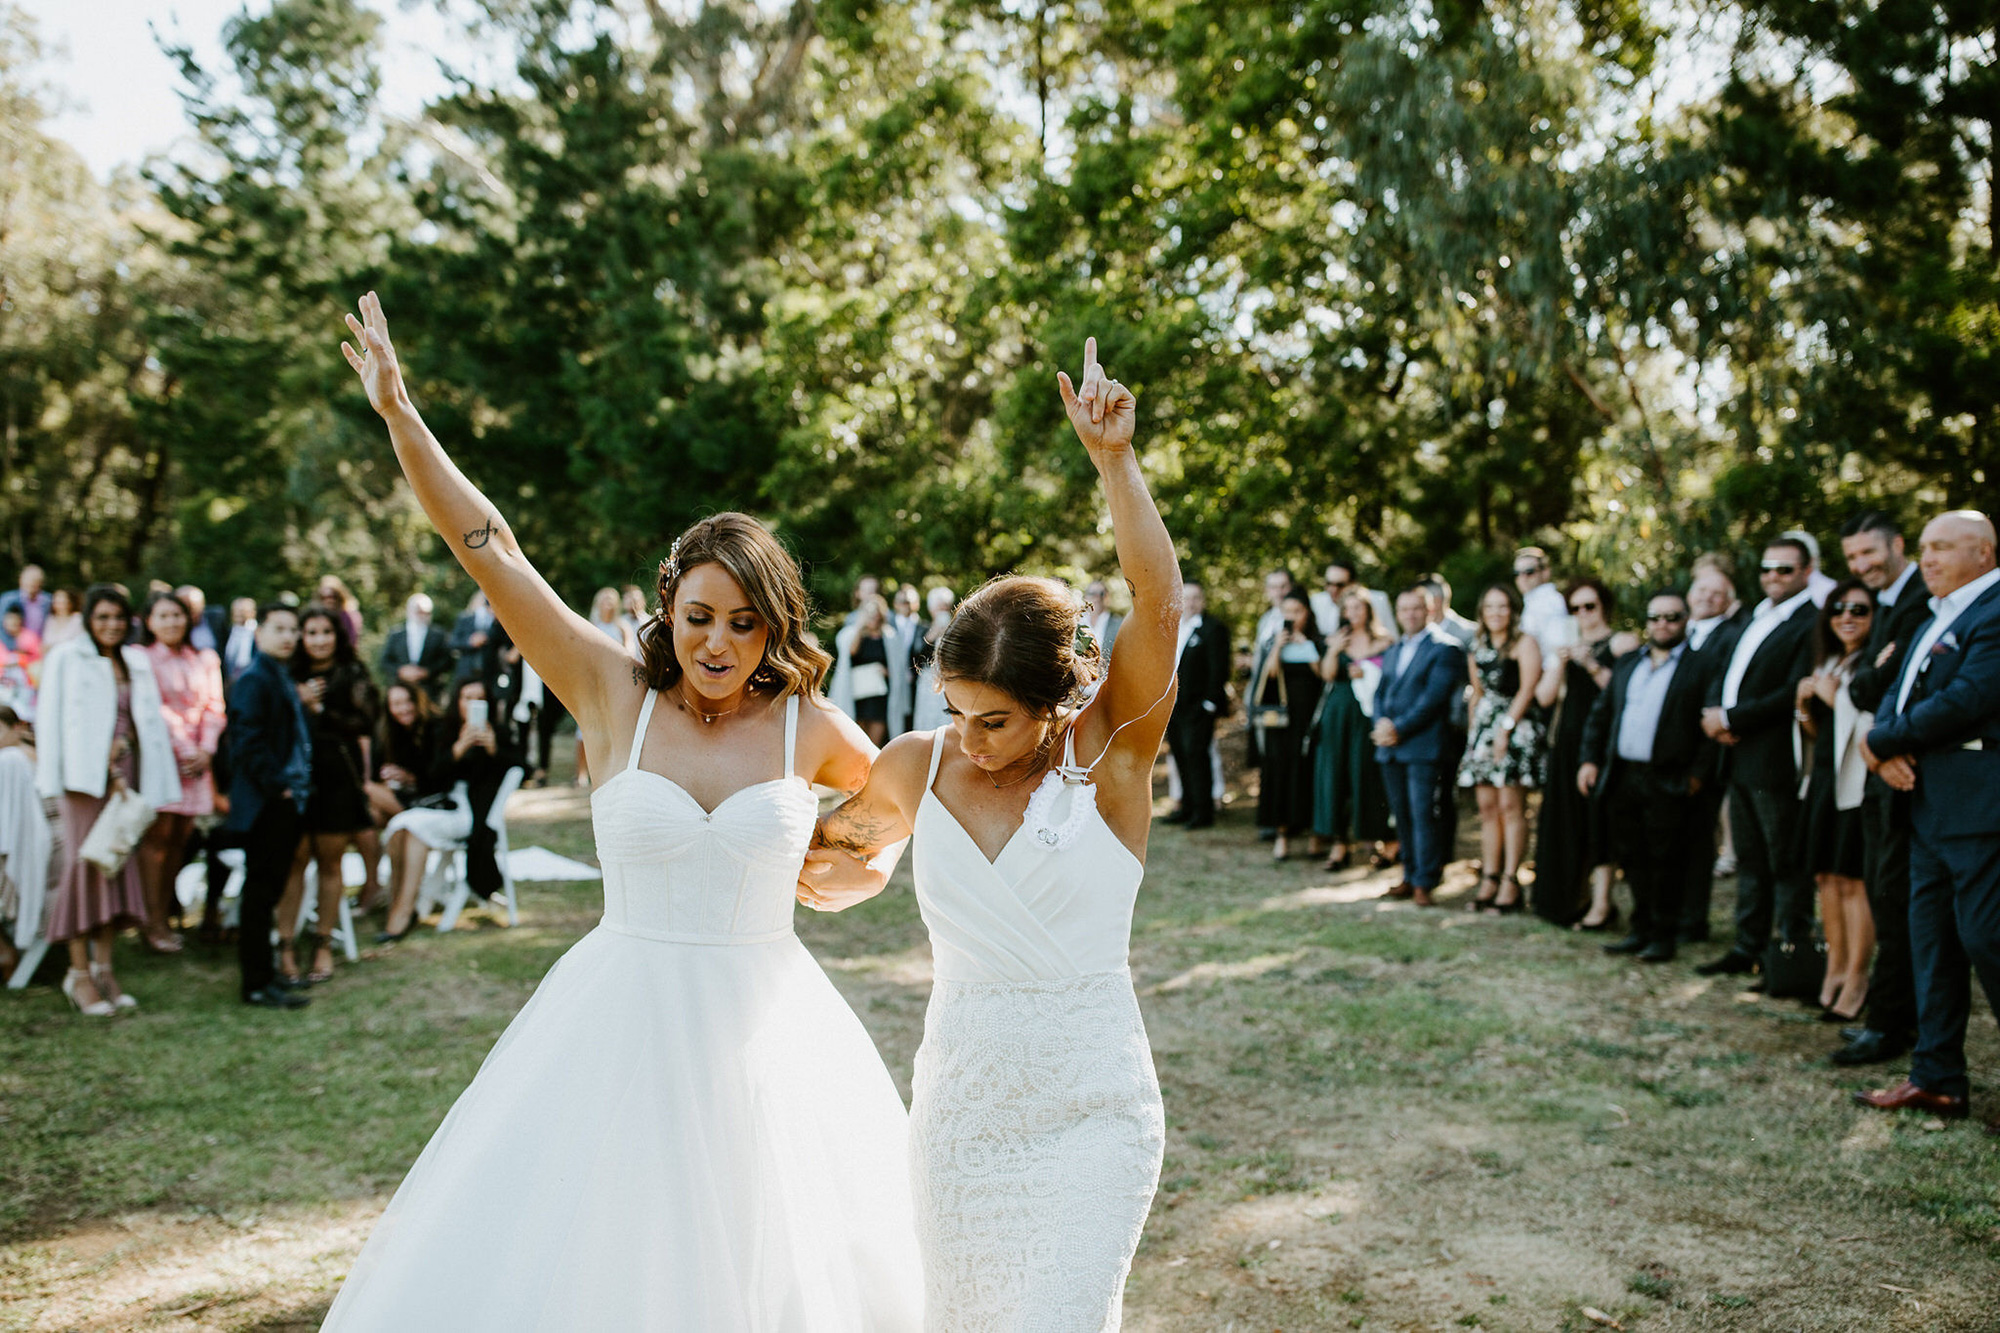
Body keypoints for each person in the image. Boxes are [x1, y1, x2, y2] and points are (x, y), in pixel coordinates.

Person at [329, 292, 922, 1325]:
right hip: (613, 1018)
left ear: (773, 626)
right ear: (667, 610)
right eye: (698, 617)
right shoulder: (612, 694)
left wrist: (842, 863)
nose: (717, 643)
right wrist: (401, 416)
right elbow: (491, 548)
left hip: (769, 1031)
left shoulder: (810, 729)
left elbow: (888, 820)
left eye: (743, 622)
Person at [804, 339, 1171, 1327]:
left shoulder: (1115, 765)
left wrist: (1114, 462)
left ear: (1058, 704)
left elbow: (1158, 601)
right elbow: (837, 860)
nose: (964, 738)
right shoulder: (919, 764)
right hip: (961, 1120)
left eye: (991, 719)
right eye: (952, 709)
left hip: (1094, 1113)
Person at [1854, 511, 2000, 1132]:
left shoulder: (1993, 612)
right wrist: (1884, 746)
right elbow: (1898, 691)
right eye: (1925, 548)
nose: (1929, 558)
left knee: (1989, 939)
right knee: (1931, 942)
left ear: (1985, 554)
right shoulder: (1937, 612)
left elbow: (1970, 697)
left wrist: (1881, 741)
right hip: (1926, 806)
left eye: (1943, 547)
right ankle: (1937, 1078)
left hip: (1981, 805)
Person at [35, 585, 183, 1015]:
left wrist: (124, 746)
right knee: (87, 867)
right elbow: (52, 721)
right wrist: (60, 776)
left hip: (126, 774)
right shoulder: (66, 657)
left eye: (118, 617)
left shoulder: (134, 661)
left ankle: (105, 967)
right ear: (87, 618)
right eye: (102, 617)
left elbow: (147, 722)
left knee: (116, 867)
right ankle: (77, 973)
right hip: (82, 781)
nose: (111, 625)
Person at [1696, 538, 1820, 979]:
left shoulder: (1812, 622)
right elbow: (1727, 673)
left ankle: (1789, 955)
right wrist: (1715, 716)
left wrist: (1732, 717)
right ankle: (1746, 946)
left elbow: (1792, 690)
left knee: (1784, 859)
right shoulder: (1757, 616)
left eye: (1785, 569)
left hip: (1774, 758)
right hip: (1737, 753)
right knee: (1749, 857)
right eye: (1768, 568)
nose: (1773, 576)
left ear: (1807, 572)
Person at [1832, 511, 1928, 1065]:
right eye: (1852, 559)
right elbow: (1869, 680)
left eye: (1869, 553)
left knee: (1894, 901)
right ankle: (1894, 1018)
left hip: (1904, 773)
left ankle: (1889, 1026)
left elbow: (1872, 684)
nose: (1861, 566)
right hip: (1878, 772)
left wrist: (1871, 674)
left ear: (1897, 545)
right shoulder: (1890, 601)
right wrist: (1871, 674)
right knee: (1886, 895)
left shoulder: (1917, 600)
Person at [1578, 590, 1708, 962]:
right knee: (1631, 856)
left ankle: (1664, 934)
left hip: (1670, 777)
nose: (1662, 625)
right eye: (1655, 618)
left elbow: (1708, 725)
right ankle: (1640, 928)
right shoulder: (1628, 662)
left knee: (1665, 859)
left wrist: (1697, 775)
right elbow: (1602, 715)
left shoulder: (1700, 666)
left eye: (1672, 617)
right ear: (1646, 622)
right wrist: (1589, 759)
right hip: (1623, 775)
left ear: (1685, 621)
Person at [275, 605, 379, 983]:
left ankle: (322, 943)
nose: (318, 640)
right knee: (294, 861)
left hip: (337, 778)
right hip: (296, 780)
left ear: (338, 636)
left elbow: (366, 722)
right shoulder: (287, 673)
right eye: (311, 632)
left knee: (331, 862)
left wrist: (319, 709)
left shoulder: (353, 673)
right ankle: (285, 945)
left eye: (326, 632)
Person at [377, 676, 521, 938]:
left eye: (480, 698)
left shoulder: (499, 732)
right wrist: (458, 748)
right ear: (458, 701)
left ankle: (403, 911)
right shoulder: (447, 731)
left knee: (410, 826)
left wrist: (493, 750)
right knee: (402, 828)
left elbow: (522, 769)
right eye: (467, 698)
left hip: (473, 814)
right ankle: (400, 908)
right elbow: (432, 778)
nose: (473, 704)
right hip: (444, 806)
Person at [223, 603, 313, 1010]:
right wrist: (280, 789)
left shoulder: (277, 675)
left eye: (293, 630)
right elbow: (245, 741)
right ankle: (256, 984)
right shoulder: (253, 679)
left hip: (283, 801)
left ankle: (268, 974)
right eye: (279, 628)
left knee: (270, 890)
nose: (288, 636)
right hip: (266, 803)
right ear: (259, 634)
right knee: (259, 894)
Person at [1793, 579, 1877, 1019]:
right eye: (1839, 608)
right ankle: (1834, 968)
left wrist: (1834, 696)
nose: (1847, 616)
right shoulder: (1828, 661)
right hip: (1822, 778)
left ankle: (1858, 976)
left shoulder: (1875, 663)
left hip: (1858, 782)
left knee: (1853, 879)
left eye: (1859, 610)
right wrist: (1806, 704)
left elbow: (1873, 720)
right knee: (1825, 877)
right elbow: (1815, 732)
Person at [1532, 578, 1630, 928]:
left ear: (1604, 606)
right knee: (1566, 821)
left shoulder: (1619, 643)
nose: (1583, 614)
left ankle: (1602, 905)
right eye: (1575, 608)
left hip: (1604, 743)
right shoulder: (1564, 644)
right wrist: (1559, 663)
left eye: (1590, 606)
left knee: (1598, 823)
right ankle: (1567, 899)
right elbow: (1543, 698)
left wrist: (1590, 664)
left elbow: (1625, 694)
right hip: (1568, 743)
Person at [135, 590, 226, 955]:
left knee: (181, 840)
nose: (172, 622)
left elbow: (214, 706)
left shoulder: (203, 658)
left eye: (177, 615)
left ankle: (166, 915)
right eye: (163, 616)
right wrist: (187, 750)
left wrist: (206, 749)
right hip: (163, 757)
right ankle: (151, 920)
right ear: (149, 622)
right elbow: (152, 706)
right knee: (157, 840)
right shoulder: (141, 658)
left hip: (198, 761)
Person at [1373, 587, 1468, 907]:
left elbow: (1434, 699)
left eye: (1417, 609)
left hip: (1424, 745)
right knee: (1401, 815)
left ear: (1430, 610)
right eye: (1404, 609)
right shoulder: (1394, 649)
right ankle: (1409, 874)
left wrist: (1398, 727)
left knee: (1423, 813)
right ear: (1397, 614)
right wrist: (1381, 724)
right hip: (1391, 746)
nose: (1410, 615)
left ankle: (1425, 881)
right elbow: (1380, 693)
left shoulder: (1446, 648)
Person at [1457, 585, 1544, 912]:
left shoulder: (1525, 643)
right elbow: (1476, 692)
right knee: (1488, 808)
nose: (1496, 612)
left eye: (1502, 606)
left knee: (1511, 806)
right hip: (1483, 729)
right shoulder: (1476, 645)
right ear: (1482, 611)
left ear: (1512, 610)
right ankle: (1489, 876)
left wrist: (1505, 729)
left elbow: (1527, 688)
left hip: (1516, 727)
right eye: (1490, 606)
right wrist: (1473, 735)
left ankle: (1511, 879)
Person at [1676, 564, 1746, 942]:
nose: (1707, 598)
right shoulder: (1678, 630)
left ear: (1728, 603)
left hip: (1706, 750)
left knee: (1699, 839)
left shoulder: (1731, 636)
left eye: (1716, 594)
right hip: (1670, 752)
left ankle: (1692, 921)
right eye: (1702, 590)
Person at [1312, 585, 1395, 871]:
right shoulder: (1337, 639)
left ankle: (1378, 839)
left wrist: (1369, 670)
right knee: (1336, 774)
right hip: (1339, 712)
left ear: (1368, 610)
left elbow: (1393, 676)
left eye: (1358, 607)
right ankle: (1339, 844)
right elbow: (1327, 675)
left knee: (1367, 774)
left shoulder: (1384, 640)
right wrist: (1334, 651)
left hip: (1369, 713)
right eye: (1347, 608)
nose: (1352, 613)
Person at [1252, 590, 1324, 861]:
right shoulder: (1273, 641)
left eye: (1297, 612)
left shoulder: (1317, 642)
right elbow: (1268, 676)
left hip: (1308, 718)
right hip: (1280, 720)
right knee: (1279, 772)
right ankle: (1281, 834)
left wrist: (1305, 645)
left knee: (1307, 773)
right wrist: (1279, 648)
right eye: (1287, 612)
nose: (1291, 618)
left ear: (1307, 614)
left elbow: (1323, 676)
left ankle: (1313, 835)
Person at [1165, 580, 1230, 829]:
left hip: (1200, 707)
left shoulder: (1213, 629)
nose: (1190, 602)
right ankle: (1187, 806)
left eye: (1196, 597)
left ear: (1203, 601)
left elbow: (1219, 669)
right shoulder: (1175, 627)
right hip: (1175, 707)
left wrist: (1209, 704)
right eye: (1186, 597)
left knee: (1197, 756)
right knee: (1180, 755)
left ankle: (1203, 813)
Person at [830, 594, 894, 745]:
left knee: (876, 744)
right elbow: (850, 653)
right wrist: (860, 626)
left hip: (880, 697)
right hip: (858, 695)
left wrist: (886, 672)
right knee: (857, 742)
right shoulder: (853, 634)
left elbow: (896, 668)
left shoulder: (889, 636)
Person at [378, 592, 455, 702]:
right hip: (402, 689)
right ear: (409, 611)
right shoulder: (396, 634)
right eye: (419, 611)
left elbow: (447, 661)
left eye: (426, 612)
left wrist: (427, 672)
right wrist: (401, 671)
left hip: (430, 691)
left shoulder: (439, 635)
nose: (422, 615)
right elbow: (385, 661)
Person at [910, 586, 955, 733]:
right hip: (929, 680)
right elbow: (917, 654)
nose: (943, 611)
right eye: (939, 607)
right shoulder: (924, 628)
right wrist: (933, 633)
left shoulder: (957, 628)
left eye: (945, 607)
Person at [1514, 547, 1570, 663]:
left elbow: (1558, 651)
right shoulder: (1533, 602)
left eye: (1529, 572)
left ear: (1545, 572)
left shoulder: (1550, 602)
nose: (1522, 578)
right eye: (1517, 573)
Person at [886, 584, 924, 737]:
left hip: (915, 685)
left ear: (916, 604)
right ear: (895, 604)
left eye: (908, 602)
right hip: (890, 685)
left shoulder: (925, 628)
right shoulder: (887, 626)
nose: (904, 605)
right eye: (901, 601)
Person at [450, 589, 499, 684]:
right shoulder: (465, 618)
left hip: (489, 671)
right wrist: (470, 641)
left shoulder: (496, 622)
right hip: (466, 671)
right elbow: (453, 642)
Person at [0, 565, 51, 636]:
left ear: (41, 583)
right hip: (14, 644)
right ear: (20, 581)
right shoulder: (8, 599)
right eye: (28, 580)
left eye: (35, 581)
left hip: (39, 644)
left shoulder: (48, 600)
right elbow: (1, 626)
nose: (32, 584)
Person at [316, 575, 366, 643]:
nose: (329, 600)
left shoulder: (350, 616)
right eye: (325, 597)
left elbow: (352, 639)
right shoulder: (317, 617)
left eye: (333, 596)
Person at [222, 596, 259, 684]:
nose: (238, 614)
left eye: (242, 611)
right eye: (235, 611)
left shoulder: (259, 632)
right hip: (231, 680)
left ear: (253, 612)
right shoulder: (228, 631)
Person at [1083, 578, 1124, 658]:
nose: (1096, 597)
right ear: (1085, 597)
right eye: (1092, 593)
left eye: (1101, 594)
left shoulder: (1120, 625)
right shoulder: (1077, 623)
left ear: (1107, 597)